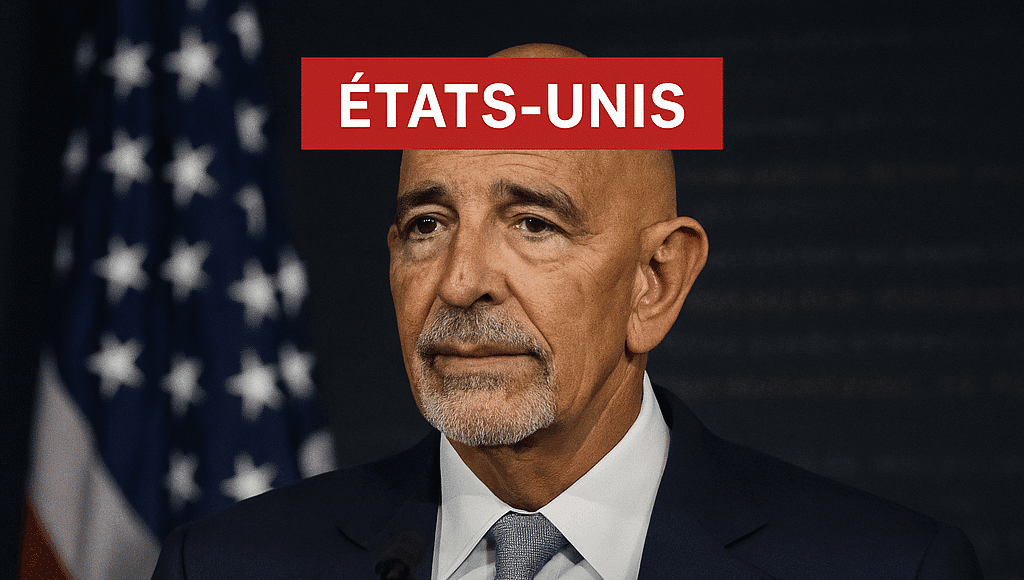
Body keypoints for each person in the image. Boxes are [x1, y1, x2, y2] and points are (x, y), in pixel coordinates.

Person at [151, 44, 984, 580]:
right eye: (428, 225)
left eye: (533, 224)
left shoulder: (887, 567)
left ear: (654, 281)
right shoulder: (225, 565)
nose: (461, 281)